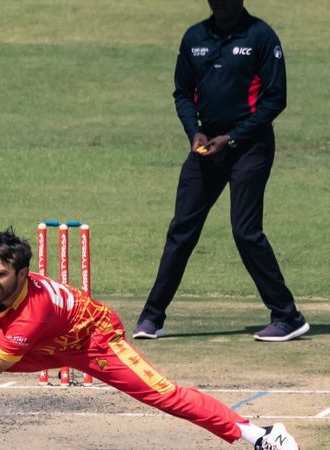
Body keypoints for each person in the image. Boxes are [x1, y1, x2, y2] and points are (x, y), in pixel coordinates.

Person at [0, 229, 299, 450]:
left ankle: (260, 434)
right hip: (42, 345)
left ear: (23, 274)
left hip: (94, 341)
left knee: (164, 394)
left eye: (1, 274)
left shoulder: (33, 312)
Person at [132, 0, 309, 342]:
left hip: (251, 146)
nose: (221, 4)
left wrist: (233, 138)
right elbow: (183, 93)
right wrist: (194, 132)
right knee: (182, 229)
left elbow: (276, 98)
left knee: (245, 231)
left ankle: (288, 317)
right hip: (207, 146)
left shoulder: (261, 36)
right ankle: (152, 317)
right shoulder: (194, 37)